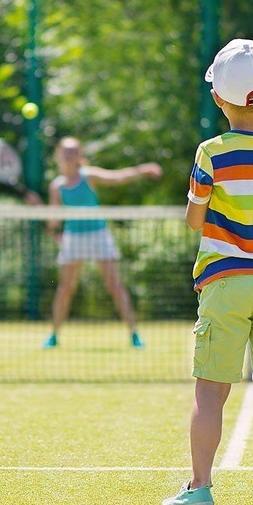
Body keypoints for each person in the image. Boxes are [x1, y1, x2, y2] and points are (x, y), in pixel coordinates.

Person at [162, 39, 253, 505]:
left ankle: (200, 485)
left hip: (225, 281)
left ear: (217, 98)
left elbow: (194, 220)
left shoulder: (211, 152)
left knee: (210, 391)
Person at [40, 136, 162, 349]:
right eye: (65, 152)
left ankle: (134, 334)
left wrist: (142, 170)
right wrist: (41, 213)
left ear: (79, 155)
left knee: (114, 285)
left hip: (98, 235)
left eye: (72, 152)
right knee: (65, 289)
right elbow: (54, 222)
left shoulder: (89, 175)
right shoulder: (56, 186)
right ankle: (54, 336)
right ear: (58, 155)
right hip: (73, 238)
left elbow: (118, 177)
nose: (68, 156)